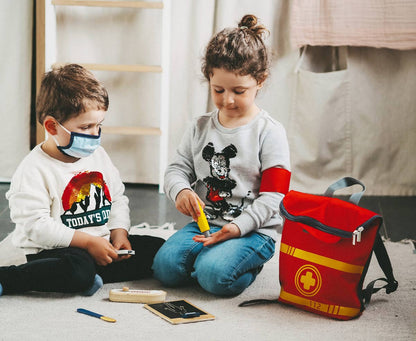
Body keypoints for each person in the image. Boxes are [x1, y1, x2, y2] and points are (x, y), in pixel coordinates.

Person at [152, 14, 291, 296]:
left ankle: (242, 263)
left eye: (239, 91)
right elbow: (177, 169)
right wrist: (180, 191)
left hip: (253, 231)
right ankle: (211, 261)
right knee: (164, 269)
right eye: (219, 90)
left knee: (213, 276)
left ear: (260, 81)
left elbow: (274, 198)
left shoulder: (270, 132)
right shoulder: (199, 126)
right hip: (205, 225)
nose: (227, 99)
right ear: (209, 80)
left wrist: (239, 228)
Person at [0, 64, 164, 297]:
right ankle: (8, 278)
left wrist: (120, 233)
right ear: (51, 126)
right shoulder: (33, 169)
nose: (95, 134)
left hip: (99, 243)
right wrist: (87, 243)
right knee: (77, 269)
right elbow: (36, 227)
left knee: (159, 251)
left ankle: (84, 279)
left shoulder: (98, 156)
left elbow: (117, 198)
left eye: (99, 125)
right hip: (55, 250)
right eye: (86, 127)